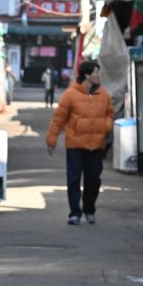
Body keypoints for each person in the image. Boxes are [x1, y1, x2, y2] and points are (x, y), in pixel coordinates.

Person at [45, 61, 114, 225]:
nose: (99, 76)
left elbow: (110, 113)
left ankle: (89, 209)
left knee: (93, 180)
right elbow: (59, 118)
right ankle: (74, 213)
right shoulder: (70, 94)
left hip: (96, 145)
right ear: (87, 75)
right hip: (75, 145)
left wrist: (106, 126)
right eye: (96, 73)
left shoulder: (104, 95)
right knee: (74, 179)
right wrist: (52, 139)